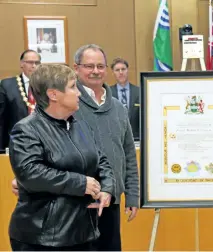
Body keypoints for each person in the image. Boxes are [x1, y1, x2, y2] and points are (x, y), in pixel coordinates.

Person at [10, 44, 139, 251]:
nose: (77, 92)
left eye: (100, 66)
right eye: (72, 87)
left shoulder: (79, 124)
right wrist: (81, 183)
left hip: (85, 222)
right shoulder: (28, 128)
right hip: (45, 232)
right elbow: (31, 171)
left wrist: (108, 187)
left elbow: (105, 158)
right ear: (53, 94)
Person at [73, 45, 139, 251]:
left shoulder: (118, 108)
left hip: (112, 201)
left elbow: (128, 153)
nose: (95, 71)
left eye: (100, 66)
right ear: (76, 68)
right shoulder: (68, 105)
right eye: (89, 66)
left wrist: (133, 194)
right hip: (76, 200)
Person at [0, 49, 40, 151]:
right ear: (22, 64)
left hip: (41, 143)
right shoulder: (8, 85)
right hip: (16, 143)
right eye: (30, 62)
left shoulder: (46, 85)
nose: (34, 66)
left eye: (37, 63)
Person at [110, 57, 140, 140]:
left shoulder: (139, 92)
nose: (121, 72)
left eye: (123, 69)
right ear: (113, 73)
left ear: (127, 71)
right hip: (115, 139)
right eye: (117, 70)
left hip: (137, 139)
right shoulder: (107, 93)